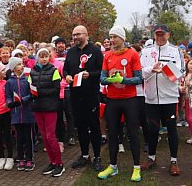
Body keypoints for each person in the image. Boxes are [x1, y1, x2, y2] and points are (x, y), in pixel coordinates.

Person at [98, 26, 143, 181]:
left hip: (130, 99)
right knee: (112, 133)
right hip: (112, 100)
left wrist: (124, 80)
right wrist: (110, 80)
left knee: (132, 133)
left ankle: (136, 167)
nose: (112, 40)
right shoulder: (107, 55)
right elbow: (102, 78)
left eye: (115, 37)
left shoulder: (133, 54)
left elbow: (139, 78)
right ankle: (113, 166)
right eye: (110, 37)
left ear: (122, 38)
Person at [140, 24, 184, 176]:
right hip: (151, 98)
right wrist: (152, 68)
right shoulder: (146, 51)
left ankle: (173, 161)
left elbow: (180, 73)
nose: (159, 37)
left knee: (171, 129)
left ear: (168, 35)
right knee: (152, 129)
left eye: (162, 34)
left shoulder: (175, 50)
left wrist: (164, 69)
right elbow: (140, 73)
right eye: (157, 34)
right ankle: (151, 158)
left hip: (170, 98)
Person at [64, 25, 103, 171]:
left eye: (78, 34)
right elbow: (66, 68)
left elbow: (101, 71)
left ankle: (97, 156)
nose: (75, 37)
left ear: (86, 35)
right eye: (73, 35)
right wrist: (66, 75)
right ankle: (85, 155)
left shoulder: (96, 51)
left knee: (94, 127)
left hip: (91, 95)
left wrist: (90, 75)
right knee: (80, 127)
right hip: (75, 95)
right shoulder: (71, 52)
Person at [30, 48, 64, 176]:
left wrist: (40, 93)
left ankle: (60, 164)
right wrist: (33, 94)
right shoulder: (33, 72)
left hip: (50, 107)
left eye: (46, 56)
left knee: (51, 136)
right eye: (41, 56)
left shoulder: (54, 71)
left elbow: (56, 89)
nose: (44, 59)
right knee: (44, 137)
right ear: (37, 58)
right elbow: (30, 87)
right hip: (38, 107)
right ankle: (52, 162)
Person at [6, 57, 35, 171]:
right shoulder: (9, 81)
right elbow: (8, 95)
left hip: (27, 112)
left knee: (28, 137)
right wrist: (10, 103)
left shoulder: (27, 79)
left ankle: (30, 159)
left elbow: (32, 93)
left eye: (22, 64)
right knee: (19, 137)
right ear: (13, 68)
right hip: (16, 114)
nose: (21, 66)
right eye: (18, 64)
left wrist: (23, 100)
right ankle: (20, 158)